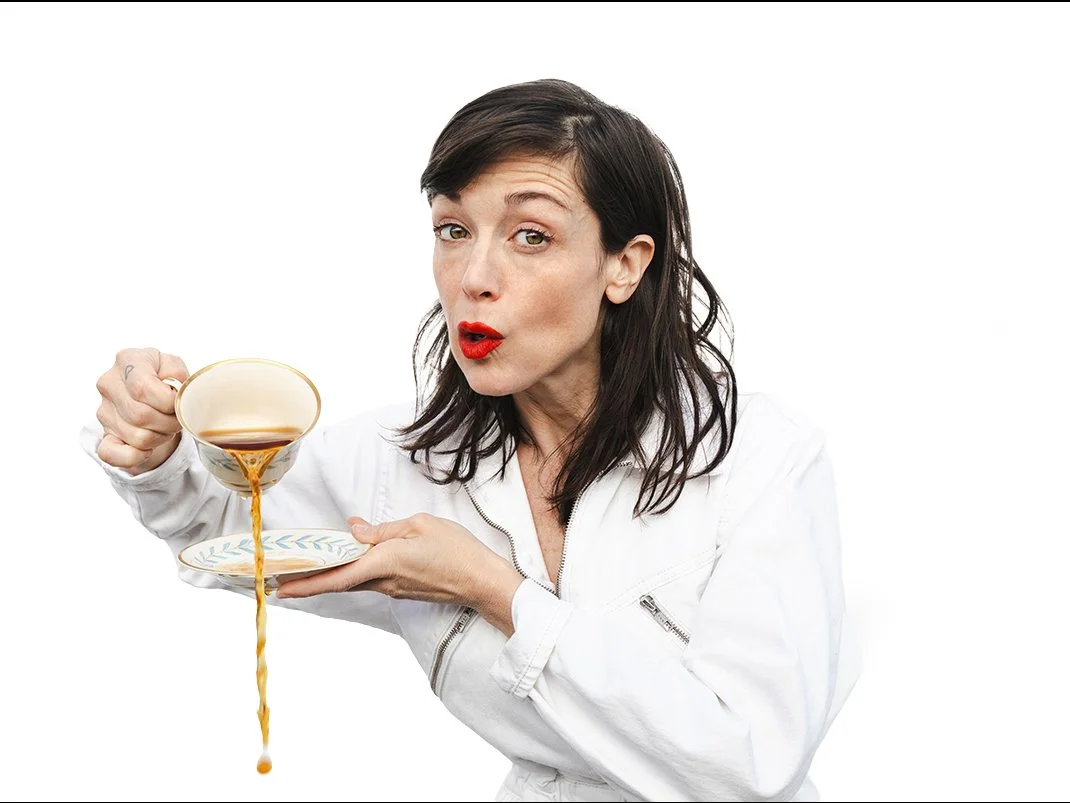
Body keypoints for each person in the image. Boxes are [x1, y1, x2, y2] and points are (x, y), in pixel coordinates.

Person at [82, 79, 861, 802]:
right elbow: (232, 530)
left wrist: (494, 589)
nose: (473, 276)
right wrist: (160, 453)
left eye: (530, 235)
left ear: (624, 265)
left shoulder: (761, 461)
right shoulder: (409, 463)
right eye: (453, 230)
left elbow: (751, 766)